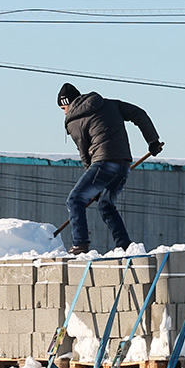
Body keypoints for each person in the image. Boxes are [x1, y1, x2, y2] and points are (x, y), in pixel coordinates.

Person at [57, 82, 164, 254]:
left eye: (63, 108)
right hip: (123, 164)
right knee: (106, 205)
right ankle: (125, 246)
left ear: (68, 104)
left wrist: (94, 183)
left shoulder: (74, 120)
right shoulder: (108, 103)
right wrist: (152, 141)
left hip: (103, 163)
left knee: (75, 199)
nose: (64, 112)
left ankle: (80, 244)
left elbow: (84, 154)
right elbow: (139, 114)